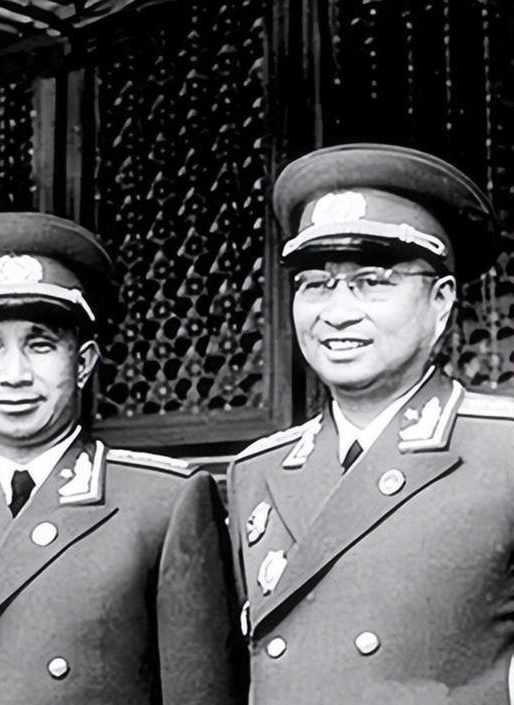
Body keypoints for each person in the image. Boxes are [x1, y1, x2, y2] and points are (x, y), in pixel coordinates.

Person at [0, 212, 237, 705]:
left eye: (40, 345)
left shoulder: (161, 505)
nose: (15, 374)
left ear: (83, 362)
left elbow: (199, 691)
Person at [227, 144, 514, 705]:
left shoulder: (501, 449)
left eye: (373, 281)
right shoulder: (257, 471)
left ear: (440, 302)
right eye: (315, 284)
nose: (337, 313)